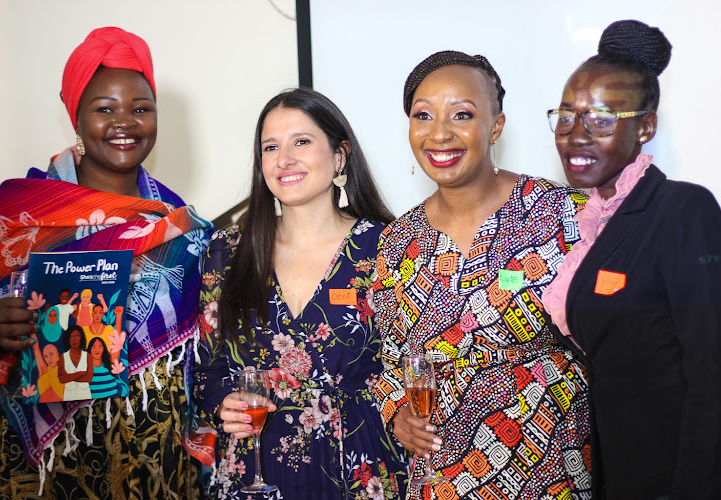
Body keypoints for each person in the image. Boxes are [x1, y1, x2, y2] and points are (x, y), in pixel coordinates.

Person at [0, 27, 212, 498]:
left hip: (151, 467)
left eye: (141, 109)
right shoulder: (14, 215)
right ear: (76, 118)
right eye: (105, 109)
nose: (125, 122)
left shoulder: (180, 224)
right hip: (31, 473)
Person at [371, 51, 592, 499]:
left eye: (462, 114)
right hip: (441, 469)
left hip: (549, 464)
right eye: (423, 115)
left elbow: (619, 338)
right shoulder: (398, 241)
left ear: (496, 126)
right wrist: (398, 413)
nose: (439, 133)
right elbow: (390, 357)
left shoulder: (564, 215)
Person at [193, 87, 408, 499]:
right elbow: (205, 370)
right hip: (252, 472)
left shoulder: (387, 247)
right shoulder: (227, 252)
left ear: (340, 155)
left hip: (360, 469)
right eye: (270, 147)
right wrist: (223, 403)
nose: (284, 159)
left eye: (302, 142)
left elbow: (410, 363)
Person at [542, 20, 721, 499]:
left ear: (645, 127)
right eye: (565, 116)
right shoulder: (591, 222)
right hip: (617, 474)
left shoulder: (683, 210)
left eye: (601, 119)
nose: (575, 135)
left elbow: (712, 375)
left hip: (673, 479)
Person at [59, 325, 93, 401]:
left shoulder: (88, 356)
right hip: (69, 395)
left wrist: (69, 377)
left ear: (81, 338)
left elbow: (89, 378)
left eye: (77, 336)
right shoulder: (63, 357)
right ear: (67, 339)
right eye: (71, 337)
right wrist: (79, 373)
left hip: (85, 394)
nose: (74, 340)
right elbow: (62, 379)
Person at [30, 333, 65, 403]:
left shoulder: (64, 371)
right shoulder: (44, 371)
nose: (49, 358)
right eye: (46, 356)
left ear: (57, 355)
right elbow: (36, 348)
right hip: (42, 405)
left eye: (51, 354)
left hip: (62, 404)